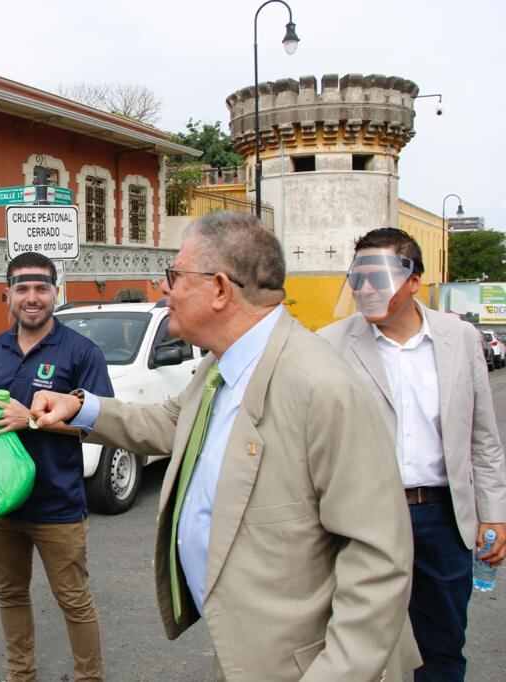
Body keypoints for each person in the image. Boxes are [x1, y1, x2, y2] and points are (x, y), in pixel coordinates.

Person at [31, 212, 420, 680]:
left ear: (218, 289)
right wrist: (81, 409)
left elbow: (378, 560)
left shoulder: (321, 385)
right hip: (248, 654)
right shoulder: (222, 365)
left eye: (174, 276)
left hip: (306, 665)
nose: (162, 289)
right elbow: (176, 421)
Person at [319, 227, 506, 681]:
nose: (364, 288)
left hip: (443, 518)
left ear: (413, 280)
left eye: (377, 277)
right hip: (364, 520)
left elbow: (483, 437)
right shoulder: (329, 344)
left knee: (442, 647)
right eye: (356, 277)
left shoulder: (458, 338)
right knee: (357, 647)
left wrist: (493, 513)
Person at [0, 252, 113, 682]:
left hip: (58, 504)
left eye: (40, 289)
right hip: (1, 502)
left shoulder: (81, 351)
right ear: (8, 296)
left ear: (56, 293)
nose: (31, 298)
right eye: (22, 289)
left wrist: (32, 420)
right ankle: (21, 676)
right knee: (10, 595)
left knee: (73, 600)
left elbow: (101, 423)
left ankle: (90, 677)